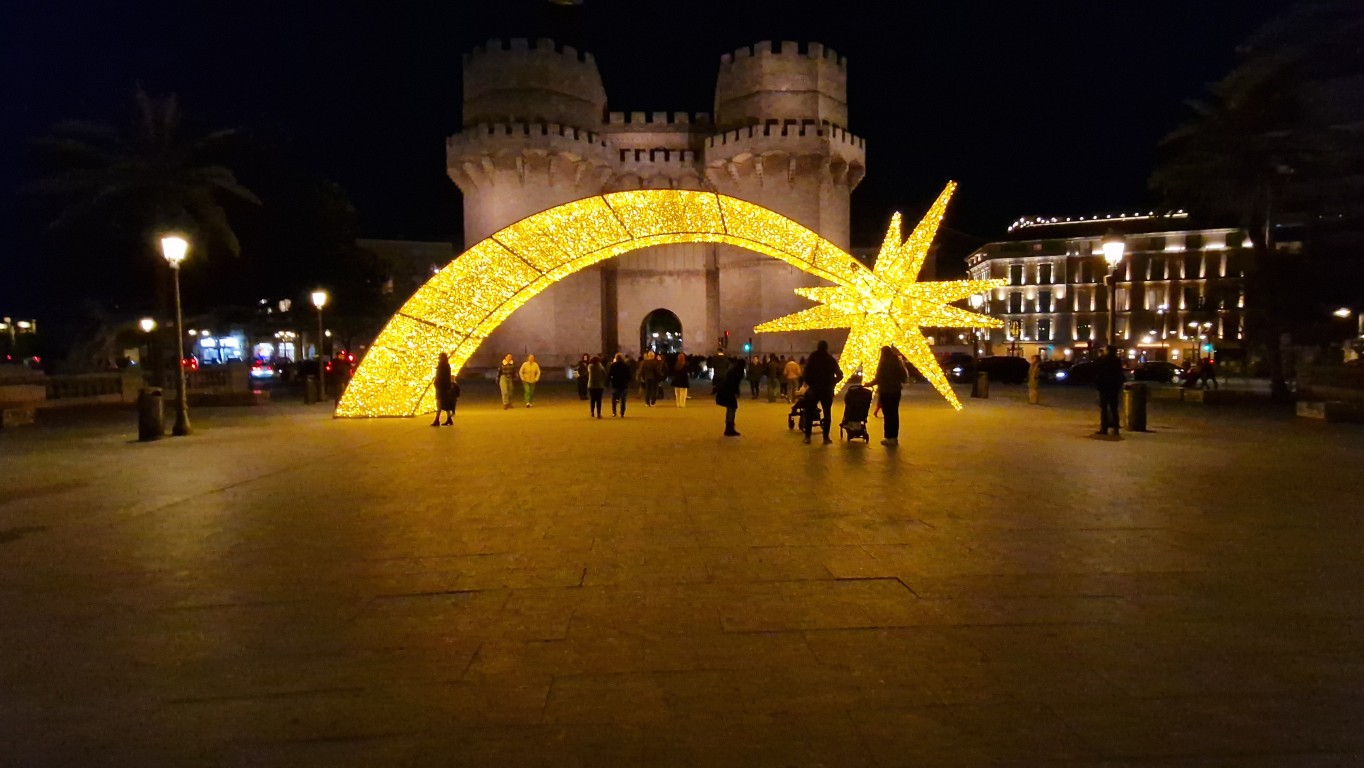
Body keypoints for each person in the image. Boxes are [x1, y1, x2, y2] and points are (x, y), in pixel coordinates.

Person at [801, 340, 843, 444]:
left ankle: (807, 437)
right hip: (826, 390)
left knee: (809, 413)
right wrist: (833, 382)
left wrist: (809, 383)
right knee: (827, 413)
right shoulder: (830, 359)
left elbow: (806, 373)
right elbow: (840, 375)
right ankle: (826, 438)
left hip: (814, 389)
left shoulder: (812, 358)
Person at [865, 346, 908, 446]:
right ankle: (894, 437)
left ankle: (889, 437)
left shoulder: (884, 363)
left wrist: (869, 384)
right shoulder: (897, 362)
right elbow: (903, 376)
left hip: (886, 391)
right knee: (894, 414)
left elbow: (879, 377)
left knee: (888, 415)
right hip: (896, 391)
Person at [1095, 345, 1125, 435]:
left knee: (1104, 408)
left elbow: (1097, 367)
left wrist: (1100, 355)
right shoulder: (1117, 361)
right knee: (1114, 408)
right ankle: (1116, 428)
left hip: (1105, 386)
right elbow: (1119, 374)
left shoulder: (1104, 360)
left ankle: (1104, 428)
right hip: (1114, 387)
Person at [715, 355, 746, 436]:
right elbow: (735, 384)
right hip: (728, 392)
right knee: (732, 409)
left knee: (730, 409)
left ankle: (729, 427)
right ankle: (730, 428)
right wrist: (737, 392)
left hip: (726, 391)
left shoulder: (733, 370)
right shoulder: (737, 372)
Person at [431, 352, 457, 427]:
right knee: (445, 404)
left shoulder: (444, 366)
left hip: (442, 388)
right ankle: (448, 419)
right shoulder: (444, 366)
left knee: (439, 404)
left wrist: (444, 386)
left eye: (440, 357)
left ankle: (437, 420)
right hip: (441, 388)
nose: (439, 358)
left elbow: (445, 378)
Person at [608, 353, 632, 417]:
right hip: (624, 384)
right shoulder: (625, 365)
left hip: (615, 384)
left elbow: (610, 374)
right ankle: (622, 412)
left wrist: (607, 382)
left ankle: (614, 412)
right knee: (623, 399)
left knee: (614, 399)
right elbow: (629, 375)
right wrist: (628, 381)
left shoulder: (613, 365)